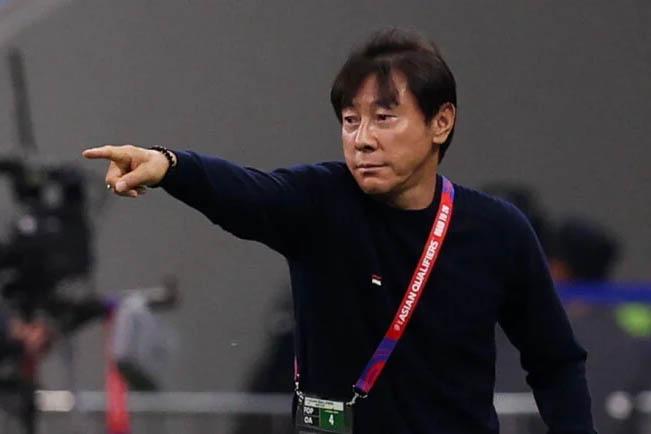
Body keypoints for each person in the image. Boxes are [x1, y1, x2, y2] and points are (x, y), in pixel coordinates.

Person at [83, 29, 596, 434]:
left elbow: (556, 362)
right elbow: (248, 192)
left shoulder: (497, 231)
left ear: (441, 122)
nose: (362, 140)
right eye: (351, 121)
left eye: (384, 118)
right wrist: (171, 166)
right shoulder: (322, 202)